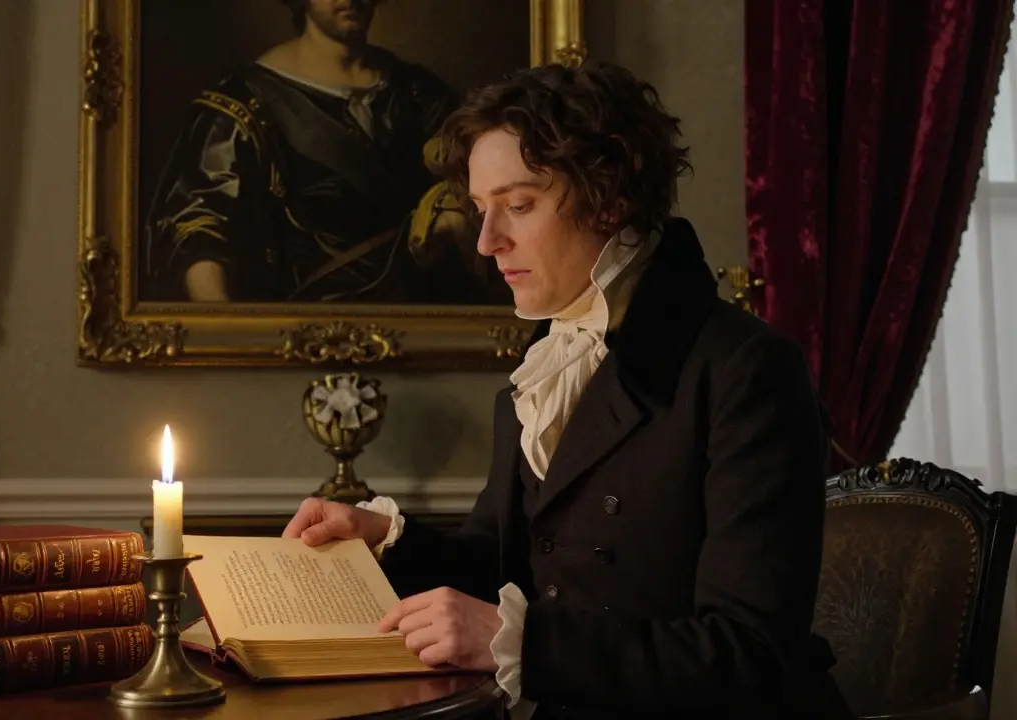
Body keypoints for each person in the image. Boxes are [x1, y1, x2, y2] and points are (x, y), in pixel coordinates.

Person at [283, 61, 853, 719]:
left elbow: (748, 655)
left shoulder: (747, 372)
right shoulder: (547, 363)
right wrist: (383, 535)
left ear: (609, 199)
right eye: (480, 210)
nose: (488, 242)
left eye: (519, 205)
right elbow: (500, 564)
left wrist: (523, 645)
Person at [140, 0, 500, 304]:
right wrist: (228, 335)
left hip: (422, 330)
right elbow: (199, 232)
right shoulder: (242, 105)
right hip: (298, 331)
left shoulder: (420, 94)